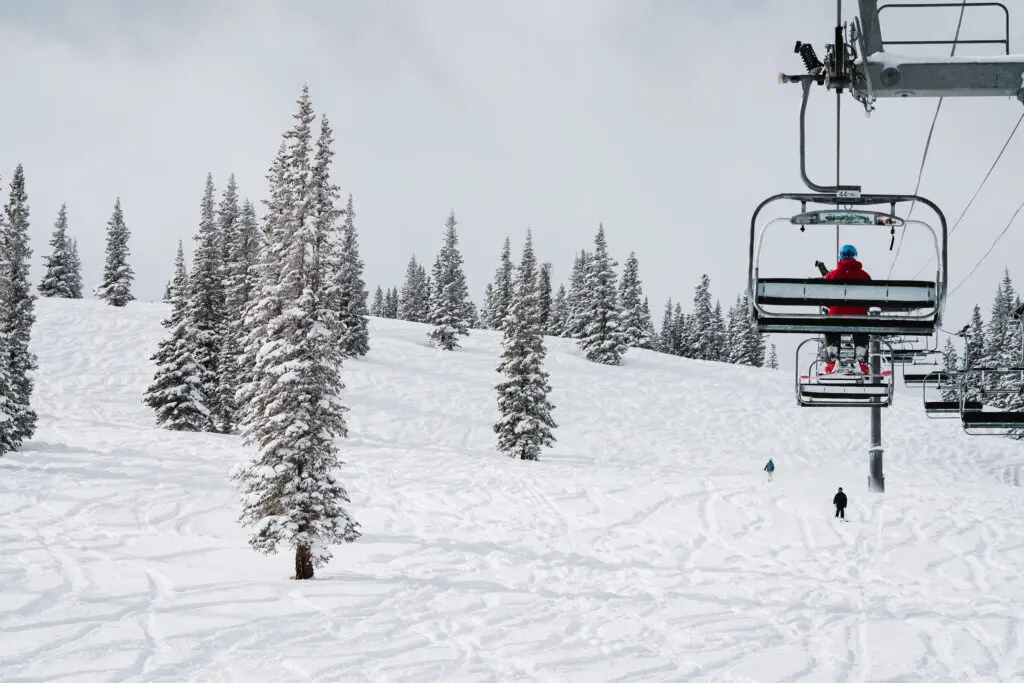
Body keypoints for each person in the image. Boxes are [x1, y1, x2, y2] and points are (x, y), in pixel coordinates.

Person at [822, 244, 871, 374]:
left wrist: (832, 307)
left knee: (830, 323)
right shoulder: (864, 276)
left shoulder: (832, 275)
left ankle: (832, 358)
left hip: (836, 317)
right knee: (862, 324)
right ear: (855, 257)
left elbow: (823, 297)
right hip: (858, 317)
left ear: (841, 256)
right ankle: (861, 360)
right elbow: (870, 298)